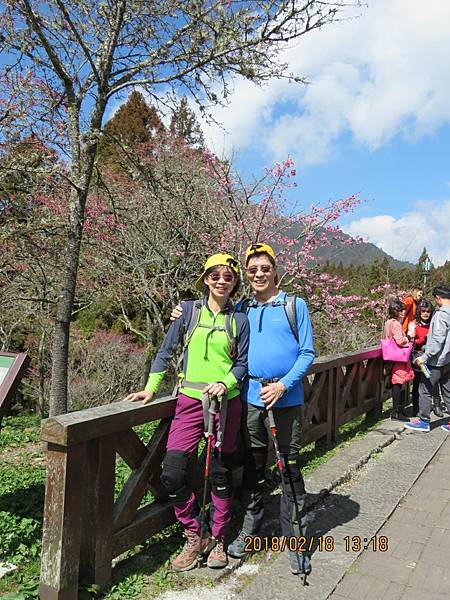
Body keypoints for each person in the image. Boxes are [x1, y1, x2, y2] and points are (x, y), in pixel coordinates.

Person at [171, 242, 315, 576]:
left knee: (289, 468)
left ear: (276, 270)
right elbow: (210, 313)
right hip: (250, 397)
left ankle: (296, 542)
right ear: (246, 276)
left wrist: (283, 385)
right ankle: (249, 531)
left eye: (265, 268)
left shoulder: (295, 305)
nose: (259, 274)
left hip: (285, 398)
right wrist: (180, 312)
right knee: (251, 467)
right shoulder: (244, 308)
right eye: (252, 270)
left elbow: (307, 353)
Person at [127, 253, 249, 571]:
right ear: (206, 279)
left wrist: (225, 382)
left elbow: (242, 364)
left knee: (221, 474)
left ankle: (219, 539)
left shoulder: (240, 320)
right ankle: (196, 533)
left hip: (227, 403)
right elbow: (166, 351)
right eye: (216, 275)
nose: (222, 281)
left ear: (235, 283)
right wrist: (151, 388)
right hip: (189, 402)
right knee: (173, 472)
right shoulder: (189, 312)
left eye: (228, 277)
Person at [404, 285, 450, 433]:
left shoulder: (441, 314)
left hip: (436, 361)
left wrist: (425, 356)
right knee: (448, 392)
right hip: (448, 360)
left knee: (425, 390)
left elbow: (437, 339)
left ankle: (424, 421)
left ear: (438, 298)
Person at [383, 299, 415, 421]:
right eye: (401, 310)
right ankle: (397, 411)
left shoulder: (388, 322)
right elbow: (400, 341)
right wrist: (409, 336)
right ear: (396, 311)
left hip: (390, 356)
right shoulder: (396, 323)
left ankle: (398, 410)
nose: (403, 312)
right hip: (398, 358)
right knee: (398, 383)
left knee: (396, 383)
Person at [409, 300, 434, 416]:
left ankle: (430, 406)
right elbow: (413, 343)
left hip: (432, 357)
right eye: (423, 311)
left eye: (428, 311)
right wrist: (425, 338)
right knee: (417, 383)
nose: (425, 313)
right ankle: (416, 408)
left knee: (430, 384)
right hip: (418, 358)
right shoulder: (414, 324)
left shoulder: (434, 324)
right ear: (419, 312)